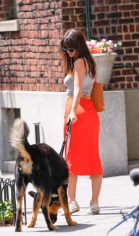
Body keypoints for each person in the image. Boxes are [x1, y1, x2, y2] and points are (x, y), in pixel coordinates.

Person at [60, 28, 103, 215]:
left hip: (76, 109)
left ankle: (72, 202)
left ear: (77, 46)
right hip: (90, 112)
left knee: (71, 157)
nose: (68, 52)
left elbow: (77, 89)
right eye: (65, 50)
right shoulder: (90, 61)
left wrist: (72, 112)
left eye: (70, 49)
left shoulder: (78, 62)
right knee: (93, 155)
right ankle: (94, 203)